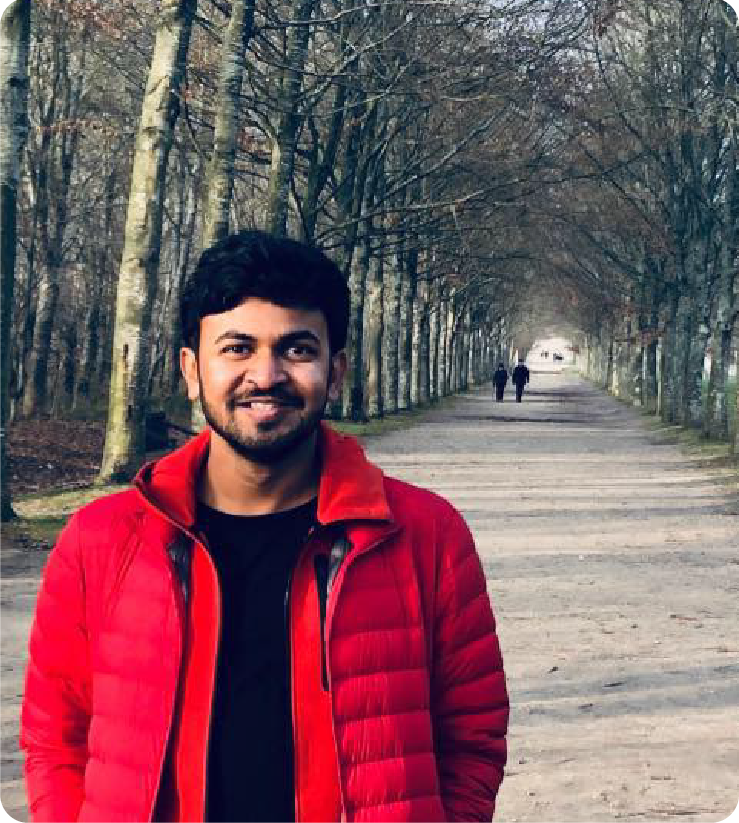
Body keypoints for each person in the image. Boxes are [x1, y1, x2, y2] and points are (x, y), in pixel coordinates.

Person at [20, 229, 509, 823]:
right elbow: (55, 741)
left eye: (298, 350)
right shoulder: (102, 540)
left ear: (336, 372)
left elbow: (472, 735)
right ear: (192, 370)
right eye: (236, 348)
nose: (267, 374)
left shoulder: (425, 537)